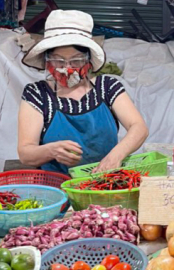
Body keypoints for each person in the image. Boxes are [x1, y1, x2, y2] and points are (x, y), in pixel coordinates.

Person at [18, 10, 148, 174]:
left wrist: (115, 156)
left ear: (88, 60)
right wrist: (51, 151)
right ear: (46, 60)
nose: (67, 68)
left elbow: (139, 127)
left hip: (104, 183)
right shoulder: (37, 94)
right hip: (58, 188)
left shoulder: (107, 87)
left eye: (76, 60)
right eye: (58, 60)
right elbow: (25, 153)